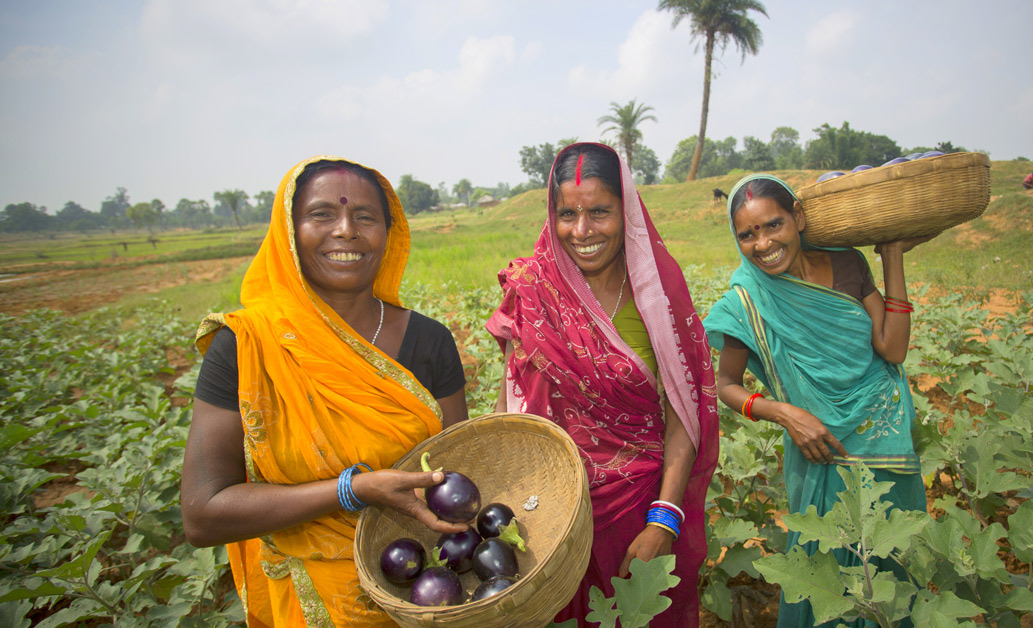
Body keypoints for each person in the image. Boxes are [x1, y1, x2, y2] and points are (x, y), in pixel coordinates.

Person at [181, 156, 470, 627]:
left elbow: (458, 474)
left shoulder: (430, 340)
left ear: (388, 232)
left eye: (364, 217)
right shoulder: (248, 346)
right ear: (289, 232)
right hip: (314, 601)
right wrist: (353, 490)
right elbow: (203, 514)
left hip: (423, 593)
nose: (345, 231)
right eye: (321, 214)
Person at [486, 142, 718, 627]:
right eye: (567, 214)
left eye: (599, 212)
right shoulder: (532, 292)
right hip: (552, 521)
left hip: (640, 515)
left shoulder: (658, 297)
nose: (582, 230)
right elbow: (511, 413)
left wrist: (665, 519)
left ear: (626, 211)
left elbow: (683, 421)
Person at [703, 174, 929, 628]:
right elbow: (726, 383)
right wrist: (785, 413)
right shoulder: (746, 299)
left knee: (891, 560)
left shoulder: (848, 265)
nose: (763, 243)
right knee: (827, 575)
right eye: (747, 234)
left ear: (798, 219)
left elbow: (893, 350)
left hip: (882, 433)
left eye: (773, 225)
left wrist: (893, 260)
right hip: (819, 447)